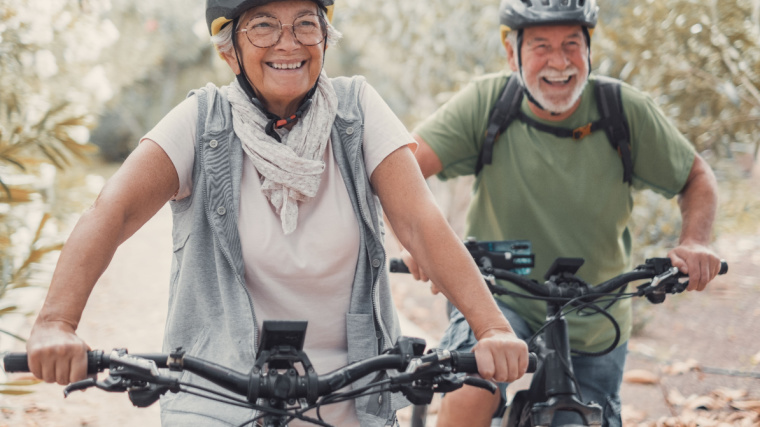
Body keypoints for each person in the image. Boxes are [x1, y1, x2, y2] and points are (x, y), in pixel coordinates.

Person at [24, 0, 531, 426]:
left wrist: (491, 329)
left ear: (325, 39)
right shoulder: (203, 121)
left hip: (350, 393)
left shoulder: (357, 109)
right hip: (219, 394)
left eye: (305, 24)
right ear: (231, 51)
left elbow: (421, 222)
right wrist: (55, 323)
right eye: (263, 25)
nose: (288, 43)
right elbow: (110, 212)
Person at [400, 0, 723, 426]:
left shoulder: (623, 110)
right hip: (496, 297)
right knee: (471, 389)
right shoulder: (487, 102)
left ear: (589, 50)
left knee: (577, 421)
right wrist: (417, 243)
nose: (559, 61)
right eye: (540, 46)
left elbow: (696, 176)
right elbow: (401, 168)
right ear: (511, 52)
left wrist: (695, 241)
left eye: (572, 44)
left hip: (595, 314)